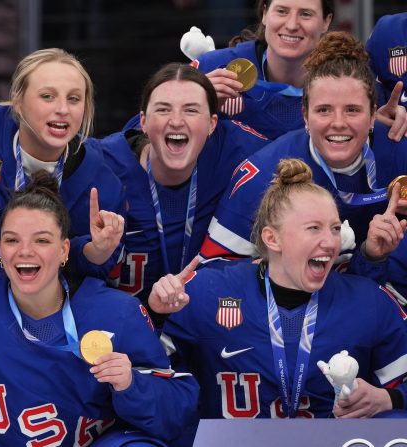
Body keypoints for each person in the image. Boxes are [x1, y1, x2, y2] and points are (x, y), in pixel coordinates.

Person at [0, 170, 198, 446]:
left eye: (42, 240)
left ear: (65, 250)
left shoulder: (116, 313)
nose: (25, 251)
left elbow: (179, 409)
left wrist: (131, 384)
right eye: (12, 240)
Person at [151, 158, 407, 420]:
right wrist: (157, 314)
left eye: (335, 229)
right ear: (272, 238)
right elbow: (148, 374)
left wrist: (390, 397)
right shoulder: (208, 290)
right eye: (314, 228)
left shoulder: (368, 299)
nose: (330, 242)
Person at [201, 32, 407, 273]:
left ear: (373, 115)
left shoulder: (398, 152)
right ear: (305, 116)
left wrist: (372, 257)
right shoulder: (265, 173)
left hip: (371, 299)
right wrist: (278, 275)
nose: (338, 122)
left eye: (352, 110)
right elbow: (214, 270)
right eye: (324, 110)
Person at [0, 48, 125, 275]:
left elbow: (90, 273)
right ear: (18, 100)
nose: (63, 109)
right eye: (47, 96)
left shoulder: (102, 184)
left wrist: (96, 252)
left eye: (74, 99)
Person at [90, 63, 269, 303]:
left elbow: (303, 154)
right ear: (142, 121)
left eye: (191, 110)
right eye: (163, 109)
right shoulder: (101, 164)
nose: (176, 121)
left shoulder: (237, 151)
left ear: (212, 124)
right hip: (121, 328)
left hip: (204, 322)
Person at [191, 0, 333, 139]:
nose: (291, 25)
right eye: (282, 11)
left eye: (306, 14)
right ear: (265, 13)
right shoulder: (209, 68)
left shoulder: (343, 88)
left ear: (326, 21)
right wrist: (194, 106)